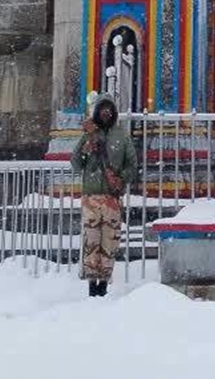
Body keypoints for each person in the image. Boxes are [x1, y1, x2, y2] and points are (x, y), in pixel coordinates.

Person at [70, 91, 136, 297]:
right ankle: (91, 285)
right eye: (103, 109)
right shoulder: (89, 134)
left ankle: (104, 285)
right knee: (91, 240)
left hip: (111, 197)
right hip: (91, 197)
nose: (106, 113)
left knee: (109, 240)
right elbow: (75, 163)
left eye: (109, 110)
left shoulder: (121, 136)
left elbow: (132, 165)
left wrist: (121, 178)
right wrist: (86, 149)